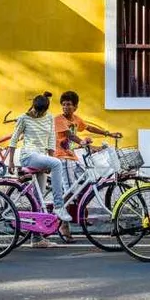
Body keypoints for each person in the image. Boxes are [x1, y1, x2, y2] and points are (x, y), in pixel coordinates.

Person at [5, 91, 72, 248]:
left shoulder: (49, 117)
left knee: (39, 199)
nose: (37, 114)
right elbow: (13, 140)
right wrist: (10, 161)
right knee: (57, 163)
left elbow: (50, 139)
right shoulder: (24, 118)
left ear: (46, 110)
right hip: (29, 156)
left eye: (41, 112)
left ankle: (37, 239)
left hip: (42, 158)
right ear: (33, 107)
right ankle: (58, 205)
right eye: (36, 110)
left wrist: (49, 157)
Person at [53, 90, 122, 242]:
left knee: (86, 185)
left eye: (69, 105)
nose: (66, 107)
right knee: (70, 191)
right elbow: (70, 135)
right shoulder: (58, 119)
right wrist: (82, 142)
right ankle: (63, 226)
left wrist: (108, 134)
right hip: (62, 158)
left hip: (73, 158)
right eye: (63, 105)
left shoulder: (76, 119)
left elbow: (89, 127)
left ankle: (81, 214)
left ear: (75, 107)